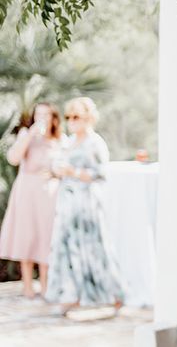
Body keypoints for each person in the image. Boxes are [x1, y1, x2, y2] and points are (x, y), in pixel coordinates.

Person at [45, 97, 124, 313]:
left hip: (87, 203)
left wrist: (75, 173)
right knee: (66, 247)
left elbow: (101, 173)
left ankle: (115, 293)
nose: (71, 121)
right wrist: (57, 171)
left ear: (88, 118)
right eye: (68, 116)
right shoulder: (69, 141)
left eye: (76, 116)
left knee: (93, 248)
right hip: (67, 202)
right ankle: (71, 294)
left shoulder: (95, 142)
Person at [0, 102, 63, 298]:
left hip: (49, 194)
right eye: (38, 115)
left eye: (46, 115)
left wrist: (55, 174)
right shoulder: (25, 135)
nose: (42, 118)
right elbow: (13, 158)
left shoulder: (60, 140)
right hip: (26, 191)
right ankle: (27, 284)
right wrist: (29, 136)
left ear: (53, 118)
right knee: (26, 234)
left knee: (47, 235)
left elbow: (64, 167)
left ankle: (45, 283)